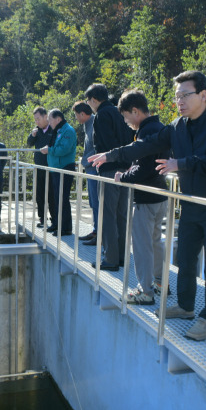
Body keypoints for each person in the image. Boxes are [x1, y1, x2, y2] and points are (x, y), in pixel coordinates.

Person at [89, 71, 206, 341]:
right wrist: (112, 155)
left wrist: (181, 164)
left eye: (185, 95)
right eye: (177, 96)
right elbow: (145, 146)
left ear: (203, 95)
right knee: (186, 257)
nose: (179, 101)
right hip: (191, 200)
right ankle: (185, 306)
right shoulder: (177, 126)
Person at [115, 89, 170, 305]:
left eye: (126, 116)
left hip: (146, 197)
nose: (126, 121)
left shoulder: (146, 132)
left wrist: (123, 176)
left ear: (135, 111)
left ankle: (145, 290)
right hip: (160, 195)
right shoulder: (160, 128)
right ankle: (159, 283)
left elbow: (144, 167)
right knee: (155, 241)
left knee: (141, 245)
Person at [85, 83, 134, 271]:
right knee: (121, 215)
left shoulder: (101, 116)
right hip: (126, 169)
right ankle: (121, 257)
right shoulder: (120, 112)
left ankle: (110, 259)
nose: (90, 105)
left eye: (89, 102)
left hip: (109, 170)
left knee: (107, 215)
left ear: (94, 100)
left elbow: (103, 144)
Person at [40, 109, 77, 236]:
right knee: (56, 198)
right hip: (56, 168)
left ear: (58, 119)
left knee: (62, 198)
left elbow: (64, 149)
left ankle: (65, 228)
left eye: (50, 119)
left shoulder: (68, 130)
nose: (49, 122)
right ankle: (56, 224)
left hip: (64, 167)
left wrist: (49, 150)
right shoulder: (58, 130)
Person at [72, 101, 98, 245]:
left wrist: (89, 161)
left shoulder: (94, 123)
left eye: (76, 115)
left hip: (94, 167)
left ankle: (99, 233)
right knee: (93, 202)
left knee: (97, 202)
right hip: (89, 167)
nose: (76, 118)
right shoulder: (87, 124)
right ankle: (95, 230)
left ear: (82, 114)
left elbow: (96, 147)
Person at [27, 107, 57, 229]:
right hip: (39, 168)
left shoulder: (53, 129)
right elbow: (29, 143)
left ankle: (54, 219)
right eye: (35, 120)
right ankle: (42, 218)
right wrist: (32, 135)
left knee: (52, 195)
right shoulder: (37, 131)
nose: (37, 122)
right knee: (40, 194)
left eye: (38, 119)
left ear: (46, 116)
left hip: (51, 167)